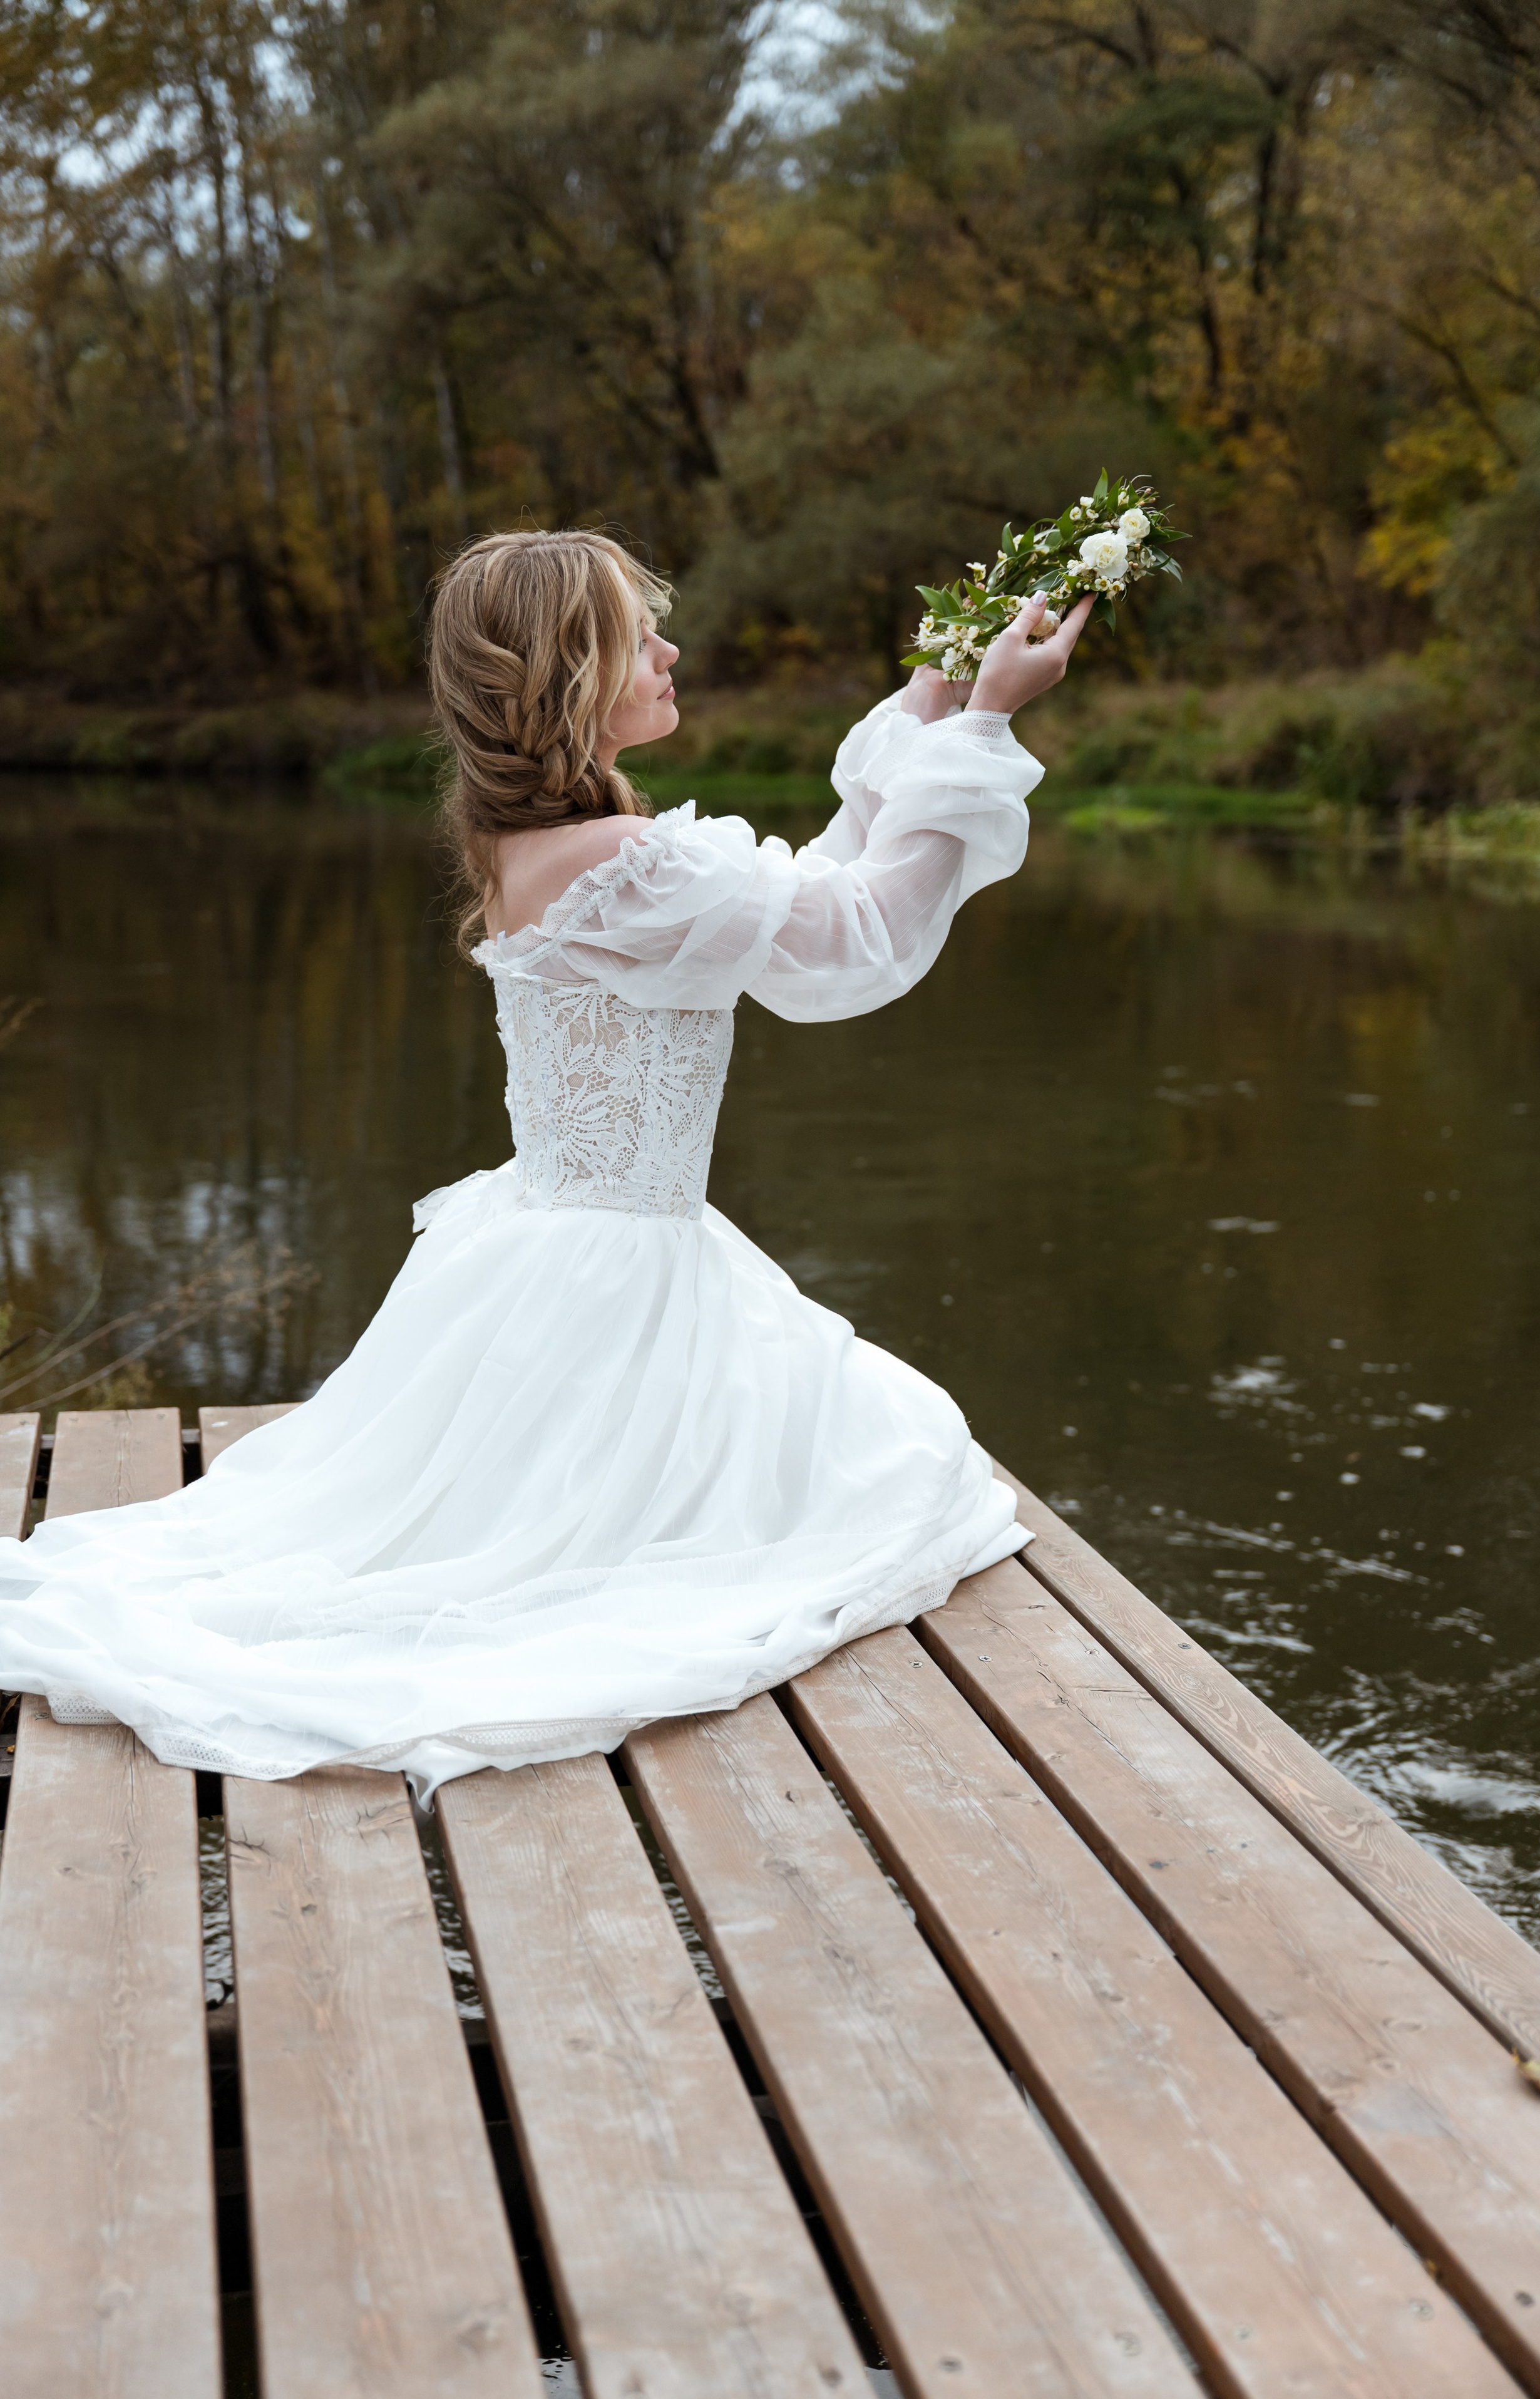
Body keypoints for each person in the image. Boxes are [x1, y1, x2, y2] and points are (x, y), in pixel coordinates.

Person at [0, 530, 1094, 1800]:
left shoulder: (576, 847)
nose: (673, 651)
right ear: (572, 676)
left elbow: (805, 890)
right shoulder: (619, 860)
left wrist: (934, 700)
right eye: (645, 635)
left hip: (561, 1244)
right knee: (898, 1465)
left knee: (887, 1449)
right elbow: (854, 940)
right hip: (614, 1275)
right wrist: (981, 731)